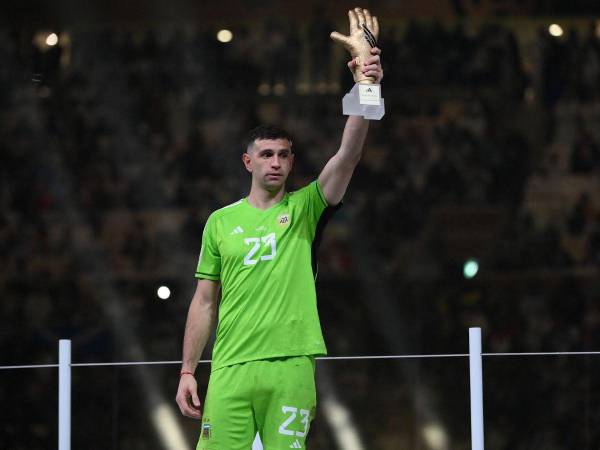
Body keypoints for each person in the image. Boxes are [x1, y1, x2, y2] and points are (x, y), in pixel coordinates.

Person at [176, 8, 383, 450]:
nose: (276, 162)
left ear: (292, 161)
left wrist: (367, 84)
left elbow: (348, 154)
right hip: (229, 368)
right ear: (248, 162)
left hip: (290, 366)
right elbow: (204, 301)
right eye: (266, 154)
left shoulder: (308, 207)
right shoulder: (220, 221)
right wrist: (188, 371)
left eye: (284, 155)